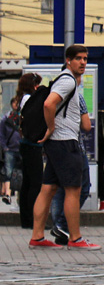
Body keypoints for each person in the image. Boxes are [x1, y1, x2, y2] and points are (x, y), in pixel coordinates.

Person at [28, 45, 100, 250]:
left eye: (85, 59)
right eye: (78, 58)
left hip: (57, 144)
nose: (83, 62)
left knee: (48, 189)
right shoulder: (68, 80)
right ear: (68, 60)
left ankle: (37, 237)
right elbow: (49, 104)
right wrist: (51, 127)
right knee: (73, 190)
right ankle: (75, 238)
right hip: (65, 142)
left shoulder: (64, 79)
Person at [16, 72, 44, 230]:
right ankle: (33, 219)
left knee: (27, 183)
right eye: (36, 84)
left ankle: (26, 219)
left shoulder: (22, 98)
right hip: (33, 144)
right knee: (35, 183)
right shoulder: (29, 98)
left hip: (26, 144)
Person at [2, 96, 20, 204]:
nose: (16, 105)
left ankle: (18, 195)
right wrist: (4, 146)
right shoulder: (6, 117)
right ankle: (8, 194)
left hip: (21, 148)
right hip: (10, 149)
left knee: (20, 172)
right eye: (14, 103)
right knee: (9, 171)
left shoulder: (23, 116)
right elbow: (1, 133)